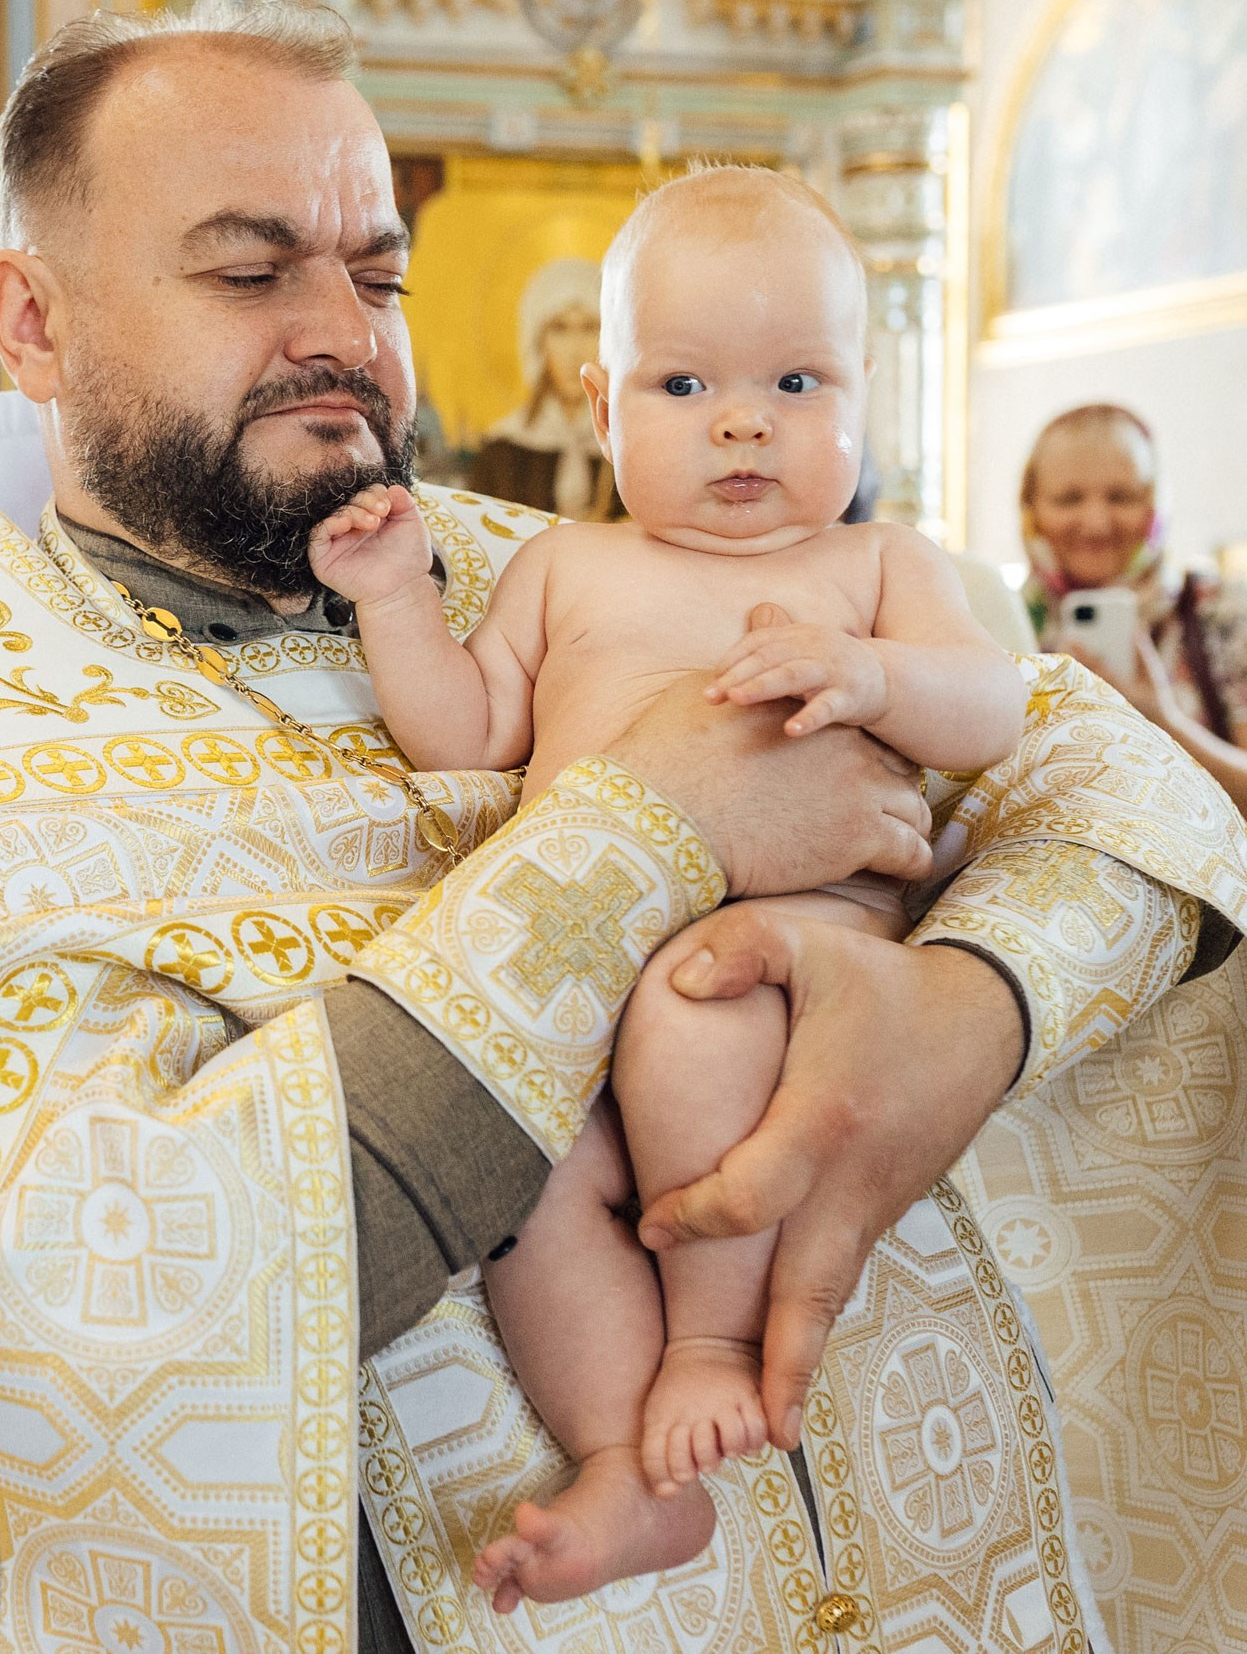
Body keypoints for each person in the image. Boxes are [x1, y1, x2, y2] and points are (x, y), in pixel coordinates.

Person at [0, 1, 1241, 1654]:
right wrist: (657, 825)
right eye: (249, 270)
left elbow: (1117, 773)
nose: (338, 333)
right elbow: (82, 1301)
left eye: (377, 274)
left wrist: (971, 1008)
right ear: (35, 323)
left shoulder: (519, 560)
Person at [309, 167, 1026, 1610]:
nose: (742, 422)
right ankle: (621, 1461)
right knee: (531, 1173)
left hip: (770, 970)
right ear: (601, 405)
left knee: (688, 1019)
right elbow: (465, 732)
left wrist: (872, 674)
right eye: (684, 383)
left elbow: (993, 708)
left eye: (796, 382)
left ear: (867, 396)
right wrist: (394, 598)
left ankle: (707, 1340)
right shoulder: (562, 567)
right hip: (581, 991)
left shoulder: (875, 564)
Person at [1021, 402, 1247, 812]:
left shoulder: (1223, 616)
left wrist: (1163, 722)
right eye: (1068, 499)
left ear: (1155, 503)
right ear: (1031, 509)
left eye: (1122, 497)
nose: (1096, 524)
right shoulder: (1001, 626)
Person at [467, 258, 622, 521]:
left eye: (589, 328)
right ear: (538, 342)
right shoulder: (503, 449)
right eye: (560, 329)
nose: (574, 350)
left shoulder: (623, 445)